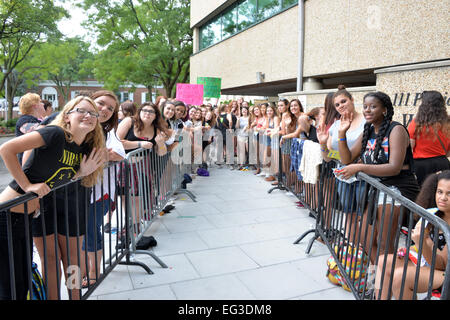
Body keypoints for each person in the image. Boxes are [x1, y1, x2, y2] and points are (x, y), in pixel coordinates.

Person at [0, 96, 106, 300]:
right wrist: (28, 186)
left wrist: (80, 174)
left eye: (93, 113)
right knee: (11, 285)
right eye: (81, 111)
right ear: (67, 116)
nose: (88, 116)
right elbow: (7, 149)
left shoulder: (79, 149)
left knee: (21, 282)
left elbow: (56, 178)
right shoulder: (55, 133)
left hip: (25, 217)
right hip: (7, 214)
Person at [336, 91, 420, 262]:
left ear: (384, 110)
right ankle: (378, 275)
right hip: (377, 189)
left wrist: (359, 167)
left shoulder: (396, 129)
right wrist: (341, 134)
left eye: (373, 106)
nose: (367, 110)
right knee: (366, 241)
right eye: (365, 106)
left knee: (384, 243)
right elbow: (346, 159)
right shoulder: (368, 130)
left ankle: (385, 285)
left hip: (396, 190)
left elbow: (394, 167)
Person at [375, 170, 450, 300]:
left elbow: (441, 265)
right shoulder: (435, 213)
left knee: (401, 277)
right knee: (383, 260)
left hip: (445, 274)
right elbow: (427, 247)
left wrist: (422, 242)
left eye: (449, 194)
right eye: (440, 192)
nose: (443, 198)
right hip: (429, 263)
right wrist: (409, 250)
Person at [81, 90, 125, 288]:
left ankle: (93, 272)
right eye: (100, 103)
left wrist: (105, 156)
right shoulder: (74, 128)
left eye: (110, 108)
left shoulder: (108, 132)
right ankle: (80, 272)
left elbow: (118, 153)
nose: (104, 109)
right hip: (74, 195)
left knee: (90, 232)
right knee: (77, 235)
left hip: (100, 195)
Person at [117, 102, 169, 234]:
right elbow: (117, 142)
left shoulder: (156, 129)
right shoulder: (129, 121)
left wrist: (161, 143)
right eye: (144, 110)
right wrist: (140, 143)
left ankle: (134, 225)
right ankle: (129, 222)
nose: (147, 113)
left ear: (156, 116)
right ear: (139, 112)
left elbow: (161, 153)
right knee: (124, 196)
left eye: (151, 112)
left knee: (138, 196)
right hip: (122, 165)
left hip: (143, 167)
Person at [407, 91, 450, 186]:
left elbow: (409, 147)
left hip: (421, 166)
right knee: (440, 192)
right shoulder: (448, 123)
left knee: (422, 194)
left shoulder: (417, 123)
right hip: (442, 163)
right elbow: (448, 152)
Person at [14, 93, 46, 164]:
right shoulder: (24, 119)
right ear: (35, 106)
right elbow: (41, 131)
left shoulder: (37, 120)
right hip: (28, 165)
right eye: (40, 102)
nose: (43, 104)